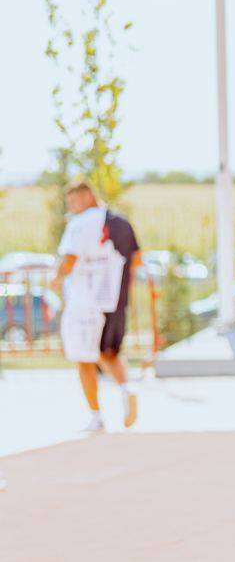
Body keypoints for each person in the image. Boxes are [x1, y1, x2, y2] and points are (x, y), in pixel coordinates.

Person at [51, 181, 142, 432]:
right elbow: (137, 259)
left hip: (84, 303)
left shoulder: (79, 224)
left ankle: (96, 416)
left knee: (83, 359)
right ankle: (126, 389)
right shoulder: (122, 223)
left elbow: (69, 259)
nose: (71, 207)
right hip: (114, 301)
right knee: (108, 352)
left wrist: (56, 280)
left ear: (87, 196)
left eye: (73, 201)